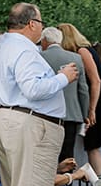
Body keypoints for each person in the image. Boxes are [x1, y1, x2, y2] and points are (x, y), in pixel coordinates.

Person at [0, 2, 80, 186]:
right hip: (30, 124)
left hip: (5, 118)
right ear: (32, 24)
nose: (41, 28)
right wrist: (62, 77)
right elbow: (33, 88)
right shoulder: (25, 50)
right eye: (41, 22)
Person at [60, 22, 101, 175]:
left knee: (92, 145)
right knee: (91, 145)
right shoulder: (86, 50)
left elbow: (96, 80)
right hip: (94, 103)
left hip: (94, 103)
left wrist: (91, 110)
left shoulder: (82, 51)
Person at [38, 26, 89, 161]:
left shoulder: (38, 57)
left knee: (47, 156)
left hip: (45, 115)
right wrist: (85, 114)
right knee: (67, 156)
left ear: (44, 41)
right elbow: (83, 89)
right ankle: (67, 180)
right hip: (71, 114)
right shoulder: (76, 58)